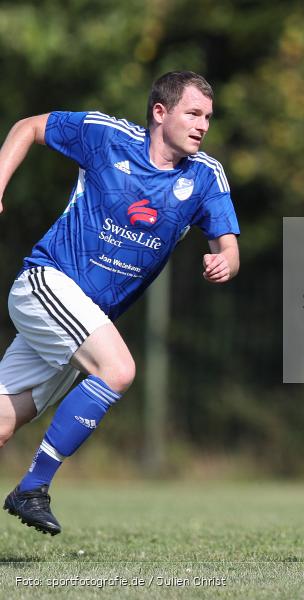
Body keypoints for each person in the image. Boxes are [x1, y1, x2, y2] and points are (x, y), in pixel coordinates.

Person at [0, 71, 240, 535]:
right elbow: (29, 126)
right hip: (47, 283)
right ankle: (33, 487)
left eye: (208, 117)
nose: (202, 125)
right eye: (193, 113)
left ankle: (31, 486)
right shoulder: (106, 137)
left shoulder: (205, 176)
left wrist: (226, 262)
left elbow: (227, 246)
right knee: (119, 369)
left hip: (83, 321)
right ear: (159, 112)